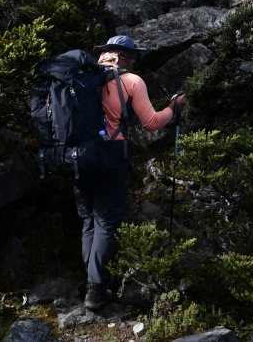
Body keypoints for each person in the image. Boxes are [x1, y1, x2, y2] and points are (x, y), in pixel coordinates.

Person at [75, 35, 185, 310]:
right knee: (105, 221)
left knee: (88, 220)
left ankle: (93, 282)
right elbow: (151, 122)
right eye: (132, 57)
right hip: (111, 157)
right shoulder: (131, 81)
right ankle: (96, 289)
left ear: (104, 55)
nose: (134, 62)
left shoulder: (77, 78)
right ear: (124, 58)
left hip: (76, 158)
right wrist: (174, 108)